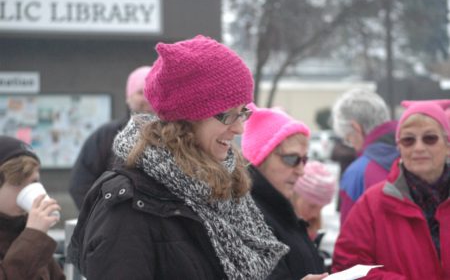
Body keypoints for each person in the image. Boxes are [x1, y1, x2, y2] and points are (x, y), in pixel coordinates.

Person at [67, 35, 289, 280]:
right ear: (187, 120)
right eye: (228, 115)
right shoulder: (128, 210)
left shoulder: (225, 190)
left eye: (243, 112)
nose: (239, 129)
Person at [332, 100, 450, 279]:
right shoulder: (371, 204)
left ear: (447, 145)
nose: (419, 147)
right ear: (399, 147)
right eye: (408, 140)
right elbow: (347, 269)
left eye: (430, 138)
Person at [241, 104, 328, 280]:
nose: (301, 170)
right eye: (291, 159)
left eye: (304, 160)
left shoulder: (281, 212)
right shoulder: (246, 216)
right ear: (261, 158)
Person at [69, 66, 153, 209]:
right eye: (140, 92)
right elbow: (80, 183)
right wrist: (99, 217)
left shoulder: (173, 136)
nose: (146, 98)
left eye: (152, 92)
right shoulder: (106, 135)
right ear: (128, 97)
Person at [0, 135, 65, 280]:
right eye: (18, 183)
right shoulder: (32, 236)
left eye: (34, 182)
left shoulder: (23, 229)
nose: (29, 190)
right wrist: (33, 236)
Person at [331, 88, 399, 223]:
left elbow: (350, 238)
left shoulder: (358, 173)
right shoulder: (416, 155)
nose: (353, 147)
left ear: (356, 128)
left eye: (348, 138)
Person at [292, 161, 336, 241]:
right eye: (312, 206)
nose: (315, 214)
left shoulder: (314, 228)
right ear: (295, 196)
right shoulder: (277, 225)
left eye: (321, 208)